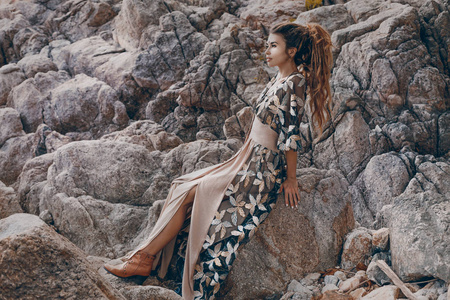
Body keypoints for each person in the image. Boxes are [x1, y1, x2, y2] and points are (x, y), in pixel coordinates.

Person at [104, 21, 333, 300]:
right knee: (182, 184)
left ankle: (143, 258)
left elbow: (291, 135)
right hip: (246, 156)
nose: (268, 50)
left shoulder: (295, 83)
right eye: (268, 44)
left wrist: (292, 178)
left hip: (260, 169)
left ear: (293, 51)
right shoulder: (278, 80)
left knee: (198, 192)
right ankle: (143, 257)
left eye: (274, 45)